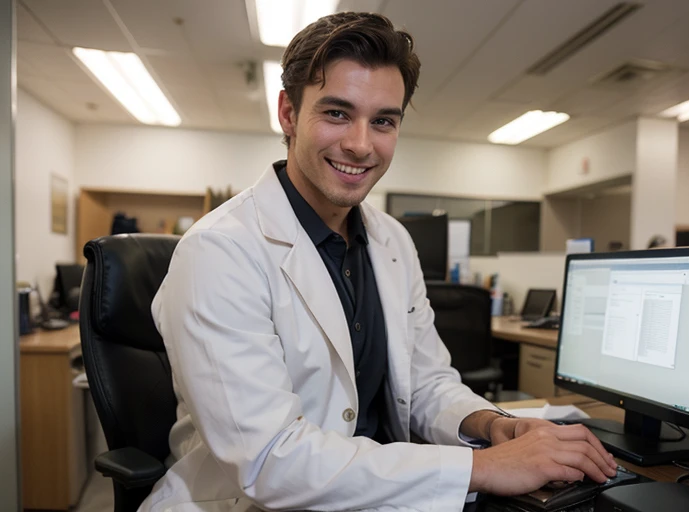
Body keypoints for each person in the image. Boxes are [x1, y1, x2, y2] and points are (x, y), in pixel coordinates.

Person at [143, 12, 616, 512]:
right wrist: (487, 467)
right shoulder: (219, 252)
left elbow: (428, 383)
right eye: (337, 113)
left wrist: (497, 426)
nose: (361, 145)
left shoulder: (392, 240)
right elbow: (270, 461)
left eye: (384, 121)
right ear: (287, 113)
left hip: (383, 492)